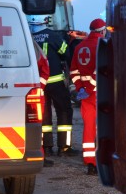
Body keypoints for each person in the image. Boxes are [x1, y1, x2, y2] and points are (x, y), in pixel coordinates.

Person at [29, 16, 79, 158]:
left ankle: (47, 148)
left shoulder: (28, 37)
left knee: (43, 116)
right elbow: (66, 53)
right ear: (46, 21)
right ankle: (64, 147)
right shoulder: (53, 36)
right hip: (56, 81)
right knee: (64, 111)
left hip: (38, 84)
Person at [70, 18, 106, 175]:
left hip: (85, 95)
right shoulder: (102, 46)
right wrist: (90, 87)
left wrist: (81, 88)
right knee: (103, 129)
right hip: (100, 93)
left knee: (88, 128)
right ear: (102, 31)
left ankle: (89, 162)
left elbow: (73, 71)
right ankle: (101, 162)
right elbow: (100, 70)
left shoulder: (79, 47)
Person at [32, 41, 53, 167]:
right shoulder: (32, 46)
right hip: (33, 93)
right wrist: (39, 87)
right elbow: (45, 69)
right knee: (36, 125)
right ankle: (39, 155)